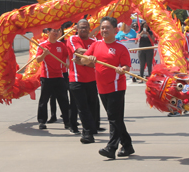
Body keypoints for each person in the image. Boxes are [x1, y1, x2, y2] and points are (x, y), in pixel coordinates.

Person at [82, 16, 134, 159]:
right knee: (115, 118)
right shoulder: (96, 45)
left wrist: (122, 69)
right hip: (102, 87)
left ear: (115, 30)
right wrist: (89, 59)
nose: (104, 30)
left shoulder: (121, 48)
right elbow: (82, 60)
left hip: (116, 87)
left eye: (107, 28)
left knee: (113, 118)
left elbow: (126, 66)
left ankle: (111, 148)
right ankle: (127, 145)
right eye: (102, 27)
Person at [67, 19, 100, 144]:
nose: (83, 29)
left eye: (86, 27)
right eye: (81, 27)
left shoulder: (94, 41)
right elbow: (78, 51)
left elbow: (95, 62)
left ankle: (91, 129)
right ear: (77, 28)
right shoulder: (72, 39)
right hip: (76, 79)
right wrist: (90, 55)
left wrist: (85, 62)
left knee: (92, 106)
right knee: (82, 107)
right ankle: (87, 133)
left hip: (92, 79)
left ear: (89, 28)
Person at [36, 28, 71, 130]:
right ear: (48, 32)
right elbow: (38, 59)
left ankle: (67, 121)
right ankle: (42, 121)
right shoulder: (43, 45)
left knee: (63, 100)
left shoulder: (61, 45)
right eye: (54, 31)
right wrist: (44, 54)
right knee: (44, 100)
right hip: (46, 77)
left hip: (59, 76)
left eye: (58, 31)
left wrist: (68, 63)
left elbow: (67, 55)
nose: (56, 33)